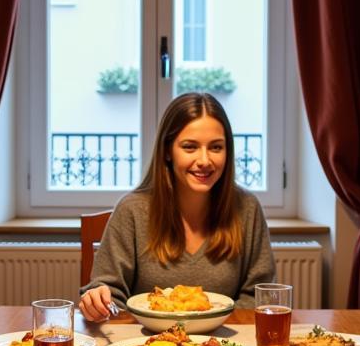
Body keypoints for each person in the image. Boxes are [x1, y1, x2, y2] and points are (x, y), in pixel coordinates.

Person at [78, 93, 275, 321]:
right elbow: (110, 293)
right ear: (168, 152)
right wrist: (99, 300)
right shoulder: (132, 210)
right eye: (190, 147)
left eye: (216, 147)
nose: (204, 160)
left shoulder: (247, 208)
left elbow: (260, 296)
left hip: (225, 344)